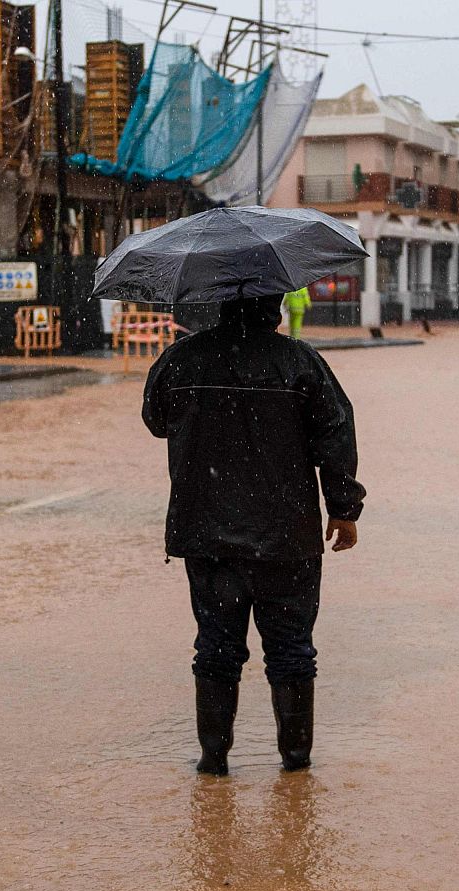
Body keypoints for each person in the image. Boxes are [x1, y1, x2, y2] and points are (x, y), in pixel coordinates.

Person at [142, 294, 365, 776]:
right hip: (286, 538)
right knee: (290, 650)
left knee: (216, 648)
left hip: (207, 532)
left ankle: (213, 762)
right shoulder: (300, 362)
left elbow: (156, 422)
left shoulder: (181, 359)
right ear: (276, 306)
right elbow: (336, 433)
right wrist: (344, 509)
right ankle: (296, 766)